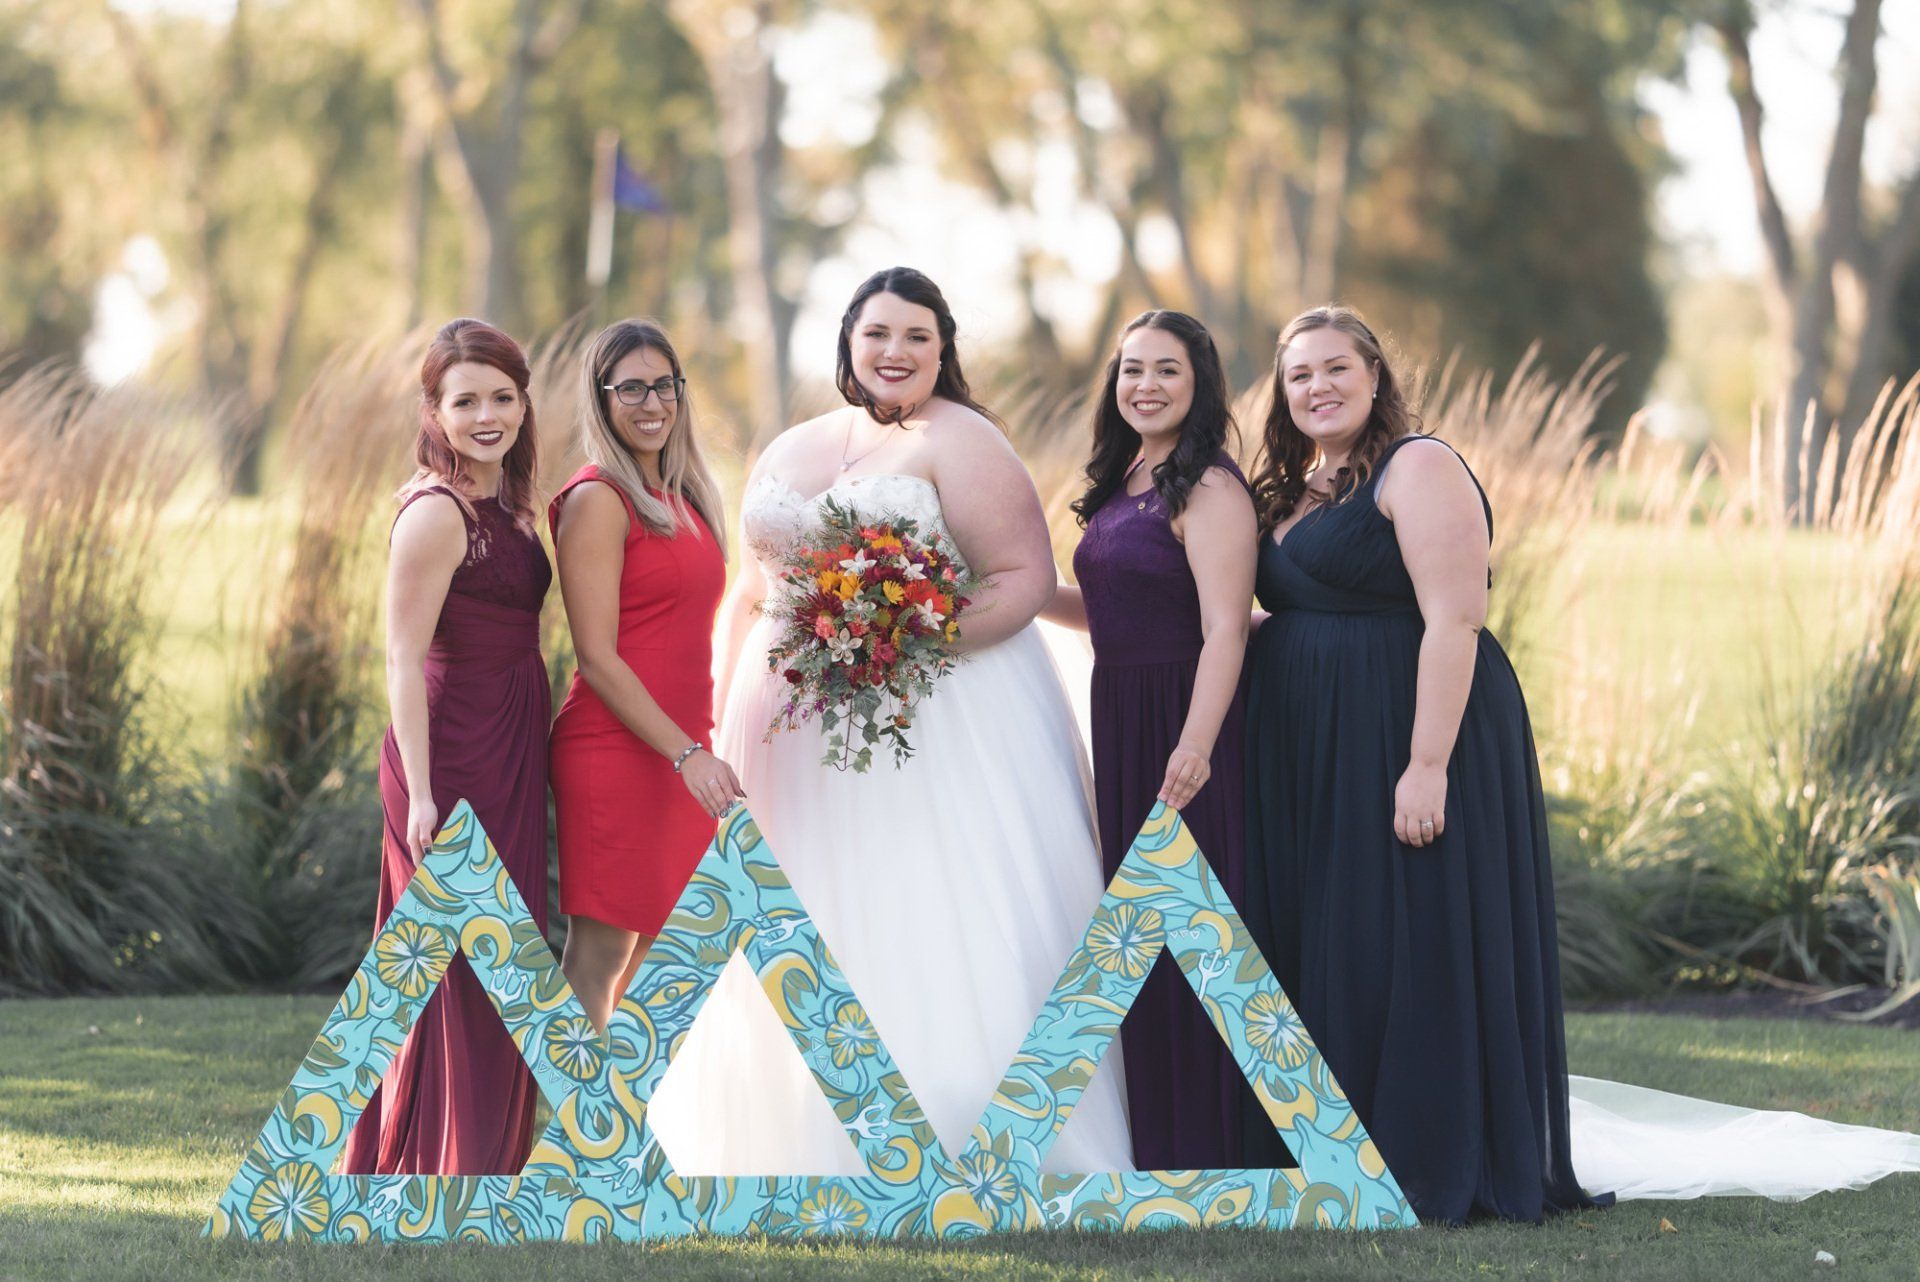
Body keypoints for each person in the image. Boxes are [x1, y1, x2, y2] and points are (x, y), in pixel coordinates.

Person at [646, 266, 1132, 1174]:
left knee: (918, 898)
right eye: (878, 334)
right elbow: (751, 589)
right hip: (787, 730)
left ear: (943, 349)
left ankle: (950, 1113)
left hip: (935, 716)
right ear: (847, 342)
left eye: (917, 336)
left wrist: (908, 646)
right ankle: (788, 1115)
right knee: (812, 901)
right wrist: (717, 704)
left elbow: (1023, 581)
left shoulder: (967, 439)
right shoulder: (795, 442)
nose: (895, 352)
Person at [1241, 304, 1597, 1222]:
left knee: (1410, 932)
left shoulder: (1419, 465)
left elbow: (1456, 616)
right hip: (1314, 746)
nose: (1317, 388)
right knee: (1340, 931)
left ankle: (1433, 1152)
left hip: (1412, 731)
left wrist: (1426, 764)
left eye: (1334, 369)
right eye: (1298, 376)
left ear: (1374, 376)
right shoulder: (1289, 488)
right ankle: (1335, 1142)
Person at [1041, 309, 1270, 1170]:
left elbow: (1225, 631)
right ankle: (1159, 1131)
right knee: (1139, 923)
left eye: (1166, 370)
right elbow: (1103, 613)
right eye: (1131, 368)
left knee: (1193, 920)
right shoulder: (1127, 475)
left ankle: (1212, 1137)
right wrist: (1013, 591)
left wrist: (1197, 742)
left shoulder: (1208, 485)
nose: (1144, 385)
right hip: (1122, 706)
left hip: (1185, 714)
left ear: (1199, 382)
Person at [340, 318, 551, 1176]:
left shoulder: (503, 503)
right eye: (466, 400)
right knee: (453, 961)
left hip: (509, 742)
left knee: (503, 951)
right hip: (448, 752)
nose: (487, 414)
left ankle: (482, 1157)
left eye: (502, 397)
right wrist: (422, 794)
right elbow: (401, 656)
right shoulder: (433, 512)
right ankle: (437, 1156)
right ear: (435, 409)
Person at [548, 320, 743, 1031]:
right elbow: (597, 657)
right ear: (601, 400)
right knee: (600, 952)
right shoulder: (598, 498)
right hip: (617, 749)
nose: (651, 401)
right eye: (629, 387)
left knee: (661, 954)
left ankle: (627, 1122)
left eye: (663, 384)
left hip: (680, 747)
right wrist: (687, 754)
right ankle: (582, 1129)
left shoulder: (687, 496)